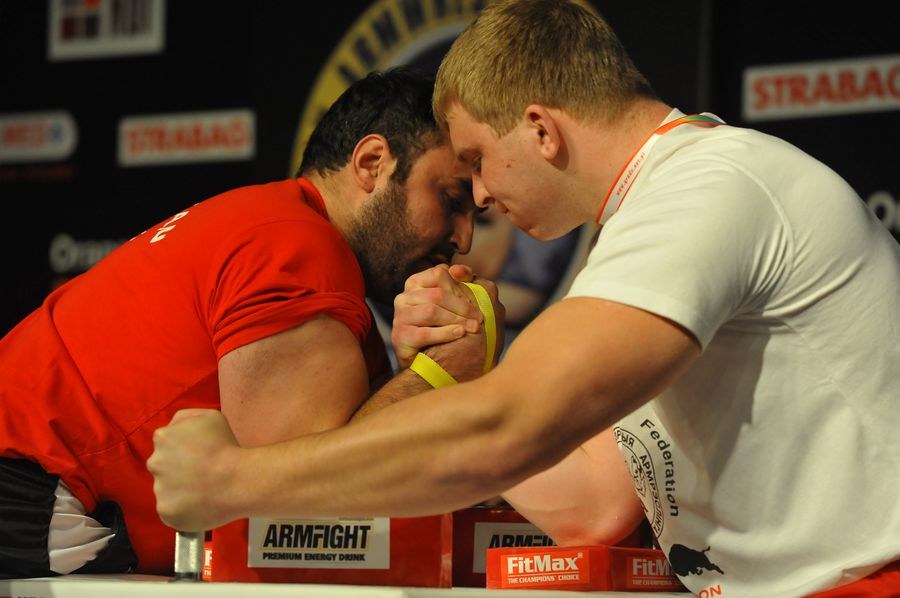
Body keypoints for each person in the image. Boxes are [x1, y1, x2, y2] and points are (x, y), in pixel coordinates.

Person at [148, 1, 900, 596]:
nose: (478, 197)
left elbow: (508, 428)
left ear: (540, 128)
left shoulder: (708, 188)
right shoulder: (651, 225)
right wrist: (464, 369)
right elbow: (595, 504)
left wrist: (232, 481)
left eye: (476, 159)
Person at [0, 66, 501, 579]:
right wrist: (440, 372)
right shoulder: (297, 245)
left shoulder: (272, 225)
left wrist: (413, 372)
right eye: (451, 200)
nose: (463, 239)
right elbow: (296, 514)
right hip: (28, 483)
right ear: (372, 163)